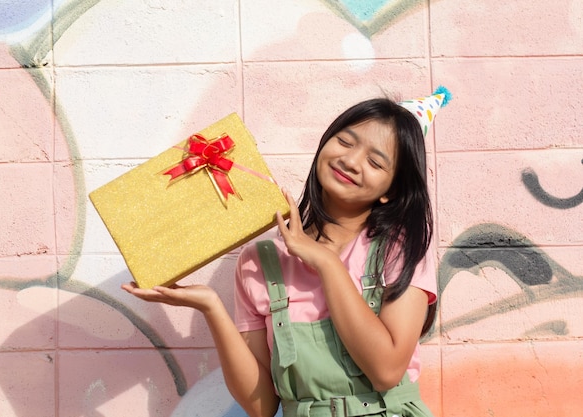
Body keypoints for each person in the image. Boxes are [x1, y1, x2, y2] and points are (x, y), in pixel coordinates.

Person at [122, 87, 451, 417]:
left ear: (390, 191)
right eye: (346, 142)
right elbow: (262, 405)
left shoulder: (399, 248)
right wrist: (211, 306)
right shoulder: (260, 263)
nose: (351, 161)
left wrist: (324, 260)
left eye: (375, 161)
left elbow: (386, 371)